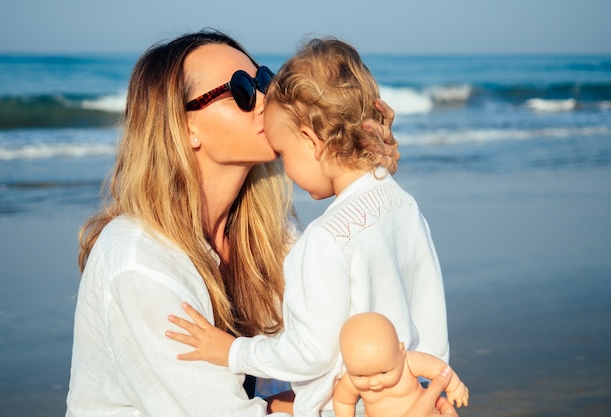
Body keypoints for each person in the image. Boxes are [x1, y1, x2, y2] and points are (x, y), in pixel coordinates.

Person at [64, 30, 402, 417]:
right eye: (242, 90)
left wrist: (367, 168)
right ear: (184, 126)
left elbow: (359, 336)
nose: (267, 99)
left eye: (264, 80)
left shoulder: (272, 235)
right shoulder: (139, 261)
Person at [166, 38, 450, 417]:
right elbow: (428, 306)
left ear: (311, 141)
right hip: (415, 396)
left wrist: (231, 351)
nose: (285, 168)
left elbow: (310, 354)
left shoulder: (325, 240)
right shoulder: (403, 205)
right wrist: (432, 389)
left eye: (284, 154)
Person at [333, 313, 469, 417]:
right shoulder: (351, 379)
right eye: (361, 375)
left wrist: (455, 387)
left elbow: (439, 369)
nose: (373, 382)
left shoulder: (408, 363)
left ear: (401, 351)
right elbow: (343, 401)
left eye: (384, 372)